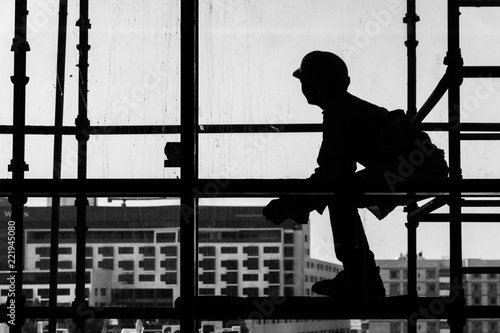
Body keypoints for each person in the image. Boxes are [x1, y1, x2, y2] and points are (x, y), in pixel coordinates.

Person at [262, 51, 449, 298]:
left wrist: (290, 204)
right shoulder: (346, 109)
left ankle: (361, 277)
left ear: (315, 86)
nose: (302, 87)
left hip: (418, 169)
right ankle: (362, 276)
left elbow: (331, 174)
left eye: (304, 82)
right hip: (422, 167)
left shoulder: (340, 113)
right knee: (341, 193)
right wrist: (297, 203)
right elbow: (333, 173)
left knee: (341, 194)